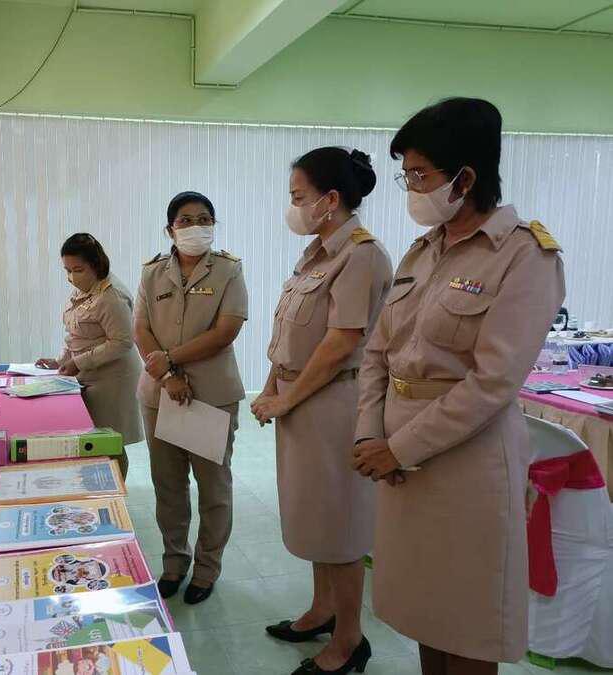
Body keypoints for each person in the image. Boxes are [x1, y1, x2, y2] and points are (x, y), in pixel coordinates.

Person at [352, 98, 565, 675]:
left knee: (467, 622)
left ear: (465, 178)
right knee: (423, 610)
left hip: (468, 466)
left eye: (420, 174)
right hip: (397, 461)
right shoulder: (423, 251)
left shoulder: (524, 255)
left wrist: (399, 447)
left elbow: (493, 381)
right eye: (407, 174)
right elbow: (377, 353)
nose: (411, 188)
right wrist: (369, 434)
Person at [251, 147, 392, 675]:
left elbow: (340, 343)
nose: (292, 207)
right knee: (314, 514)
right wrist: (272, 386)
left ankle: (350, 639)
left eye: (298, 196)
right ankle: (322, 610)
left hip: (334, 404)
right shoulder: (316, 254)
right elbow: (290, 334)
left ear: (330, 199)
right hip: (300, 401)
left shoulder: (362, 255)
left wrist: (287, 398)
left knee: (340, 523)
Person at [133, 191, 247, 605]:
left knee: (212, 489)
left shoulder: (229, 270)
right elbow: (141, 330)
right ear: (170, 229)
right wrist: (167, 375)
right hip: (160, 395)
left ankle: (206, 568)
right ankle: (174, 563)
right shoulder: (152, 273)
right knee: (168, 486)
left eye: (204, 219)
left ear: (213, 225)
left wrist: (171, 361)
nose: (195, 226)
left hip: (209, 396)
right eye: (185, 220)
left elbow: (225, 331)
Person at [36, 233, 144, 478]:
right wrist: (61, 360)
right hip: (87, 374)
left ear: (96, 265)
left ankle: (114, 492)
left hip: (112, 379)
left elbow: (122, 342)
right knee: (92, 441)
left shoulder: (111, 296)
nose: (72, 278)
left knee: (110, 443)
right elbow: (77, 333)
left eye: (78, 270)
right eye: (67, 271)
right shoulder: (82, 290)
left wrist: (78, 362)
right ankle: (97, 487)